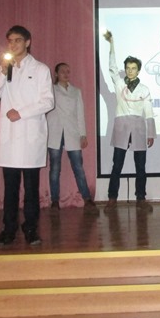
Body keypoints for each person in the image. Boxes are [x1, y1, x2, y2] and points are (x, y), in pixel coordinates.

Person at [0, 25, 54, 246]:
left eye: (17, 40)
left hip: (30, 137)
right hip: (9, 139)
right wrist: (2, 72)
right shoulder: (4, 69)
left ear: (27, 42)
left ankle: (31, 229)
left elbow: (48, 102)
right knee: (10, 189)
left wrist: (21, 113)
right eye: (10, 41)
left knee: (31, 189)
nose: (13, 44)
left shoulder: (40, 69)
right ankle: (9, 229)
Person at [104, 32, 155, 212]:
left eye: (133, 68)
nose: (130, 70)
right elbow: (112, 67)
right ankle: (112, 198)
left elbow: (149, 111)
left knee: (140, 167)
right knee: (117, 165)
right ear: (125, 69)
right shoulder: (119, 84)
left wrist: (151, 133)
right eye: (128, 67)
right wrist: (111, 43)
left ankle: (141, 198)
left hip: (139, 129)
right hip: (122, 128)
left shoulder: (144, 89)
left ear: (138, 70)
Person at [46, 62, 98, 216]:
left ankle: (87, 198)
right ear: (56, 74)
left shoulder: (76, 91)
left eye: (68, 71)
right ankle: (55, 201)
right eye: (62, 71)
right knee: (55, 168)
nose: (66, 74)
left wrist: (83, 134)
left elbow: (80, 114)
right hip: (55, 131)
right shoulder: (50, 90)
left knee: (78, 167)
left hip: (72, 132)